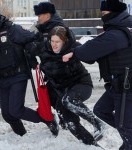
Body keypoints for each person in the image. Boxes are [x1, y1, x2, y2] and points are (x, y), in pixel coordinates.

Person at [62, 0, 132, 149]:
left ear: (114, 13)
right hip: (119, 85)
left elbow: (91, 49)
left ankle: (131, 141)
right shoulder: (120, 30)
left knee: (124, 126)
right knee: (101, 110)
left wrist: (74, 52)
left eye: (104, 13)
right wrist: (78, 49)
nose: (102, 17)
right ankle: (131, 137)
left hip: (127, 87)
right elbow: (96, 51)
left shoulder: (117, 34)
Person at [0, 4, 59, 137]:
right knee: (7, 114)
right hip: (2, 79)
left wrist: (35, 54)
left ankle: (48, 119)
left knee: (16, 110)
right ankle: (21, 136)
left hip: (18, 75)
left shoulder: (12, 30)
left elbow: (32, 39)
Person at [33, 2, 104, 140]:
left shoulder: (62, 32)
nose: (38, 18)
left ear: (47, 15)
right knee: (69, 118)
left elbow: (83, 51)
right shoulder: (42, 36)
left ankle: (97, 123)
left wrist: (75, 53)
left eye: (40, 15)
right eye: (51, 41)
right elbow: (35, 49)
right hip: (59, 85)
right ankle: (88, 143)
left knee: (68, 100)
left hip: (78, 83)